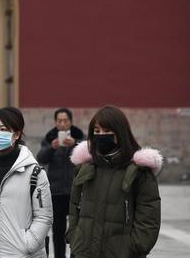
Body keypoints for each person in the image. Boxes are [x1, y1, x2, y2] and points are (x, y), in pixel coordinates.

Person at [67, 106, 161, 257]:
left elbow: (149, 218)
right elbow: (74, 207)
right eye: (97, 131)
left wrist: (135, 248)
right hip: (84, 252)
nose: (101, 135)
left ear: (120, 132)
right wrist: (74, 237)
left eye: (107, 131)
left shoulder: (139, 172)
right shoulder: (85, 168)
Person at [0, 107, 53, 257]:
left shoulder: (34, 173)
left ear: (17, 134)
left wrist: (27, 244)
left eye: (3, 129)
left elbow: (44, 217)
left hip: (22, 253)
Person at [37, 107, 84, 258]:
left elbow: (88, 157)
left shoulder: (80, 138)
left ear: (70, 122)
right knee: (58, 231)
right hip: (56, 193)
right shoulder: (49, 138)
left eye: (65, 121)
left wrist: (75, 145)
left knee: (77, 230)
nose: (62, 124)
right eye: (59, 121)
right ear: (55, 122)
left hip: (75, 192)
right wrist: (52, 148)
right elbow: (41, 159)